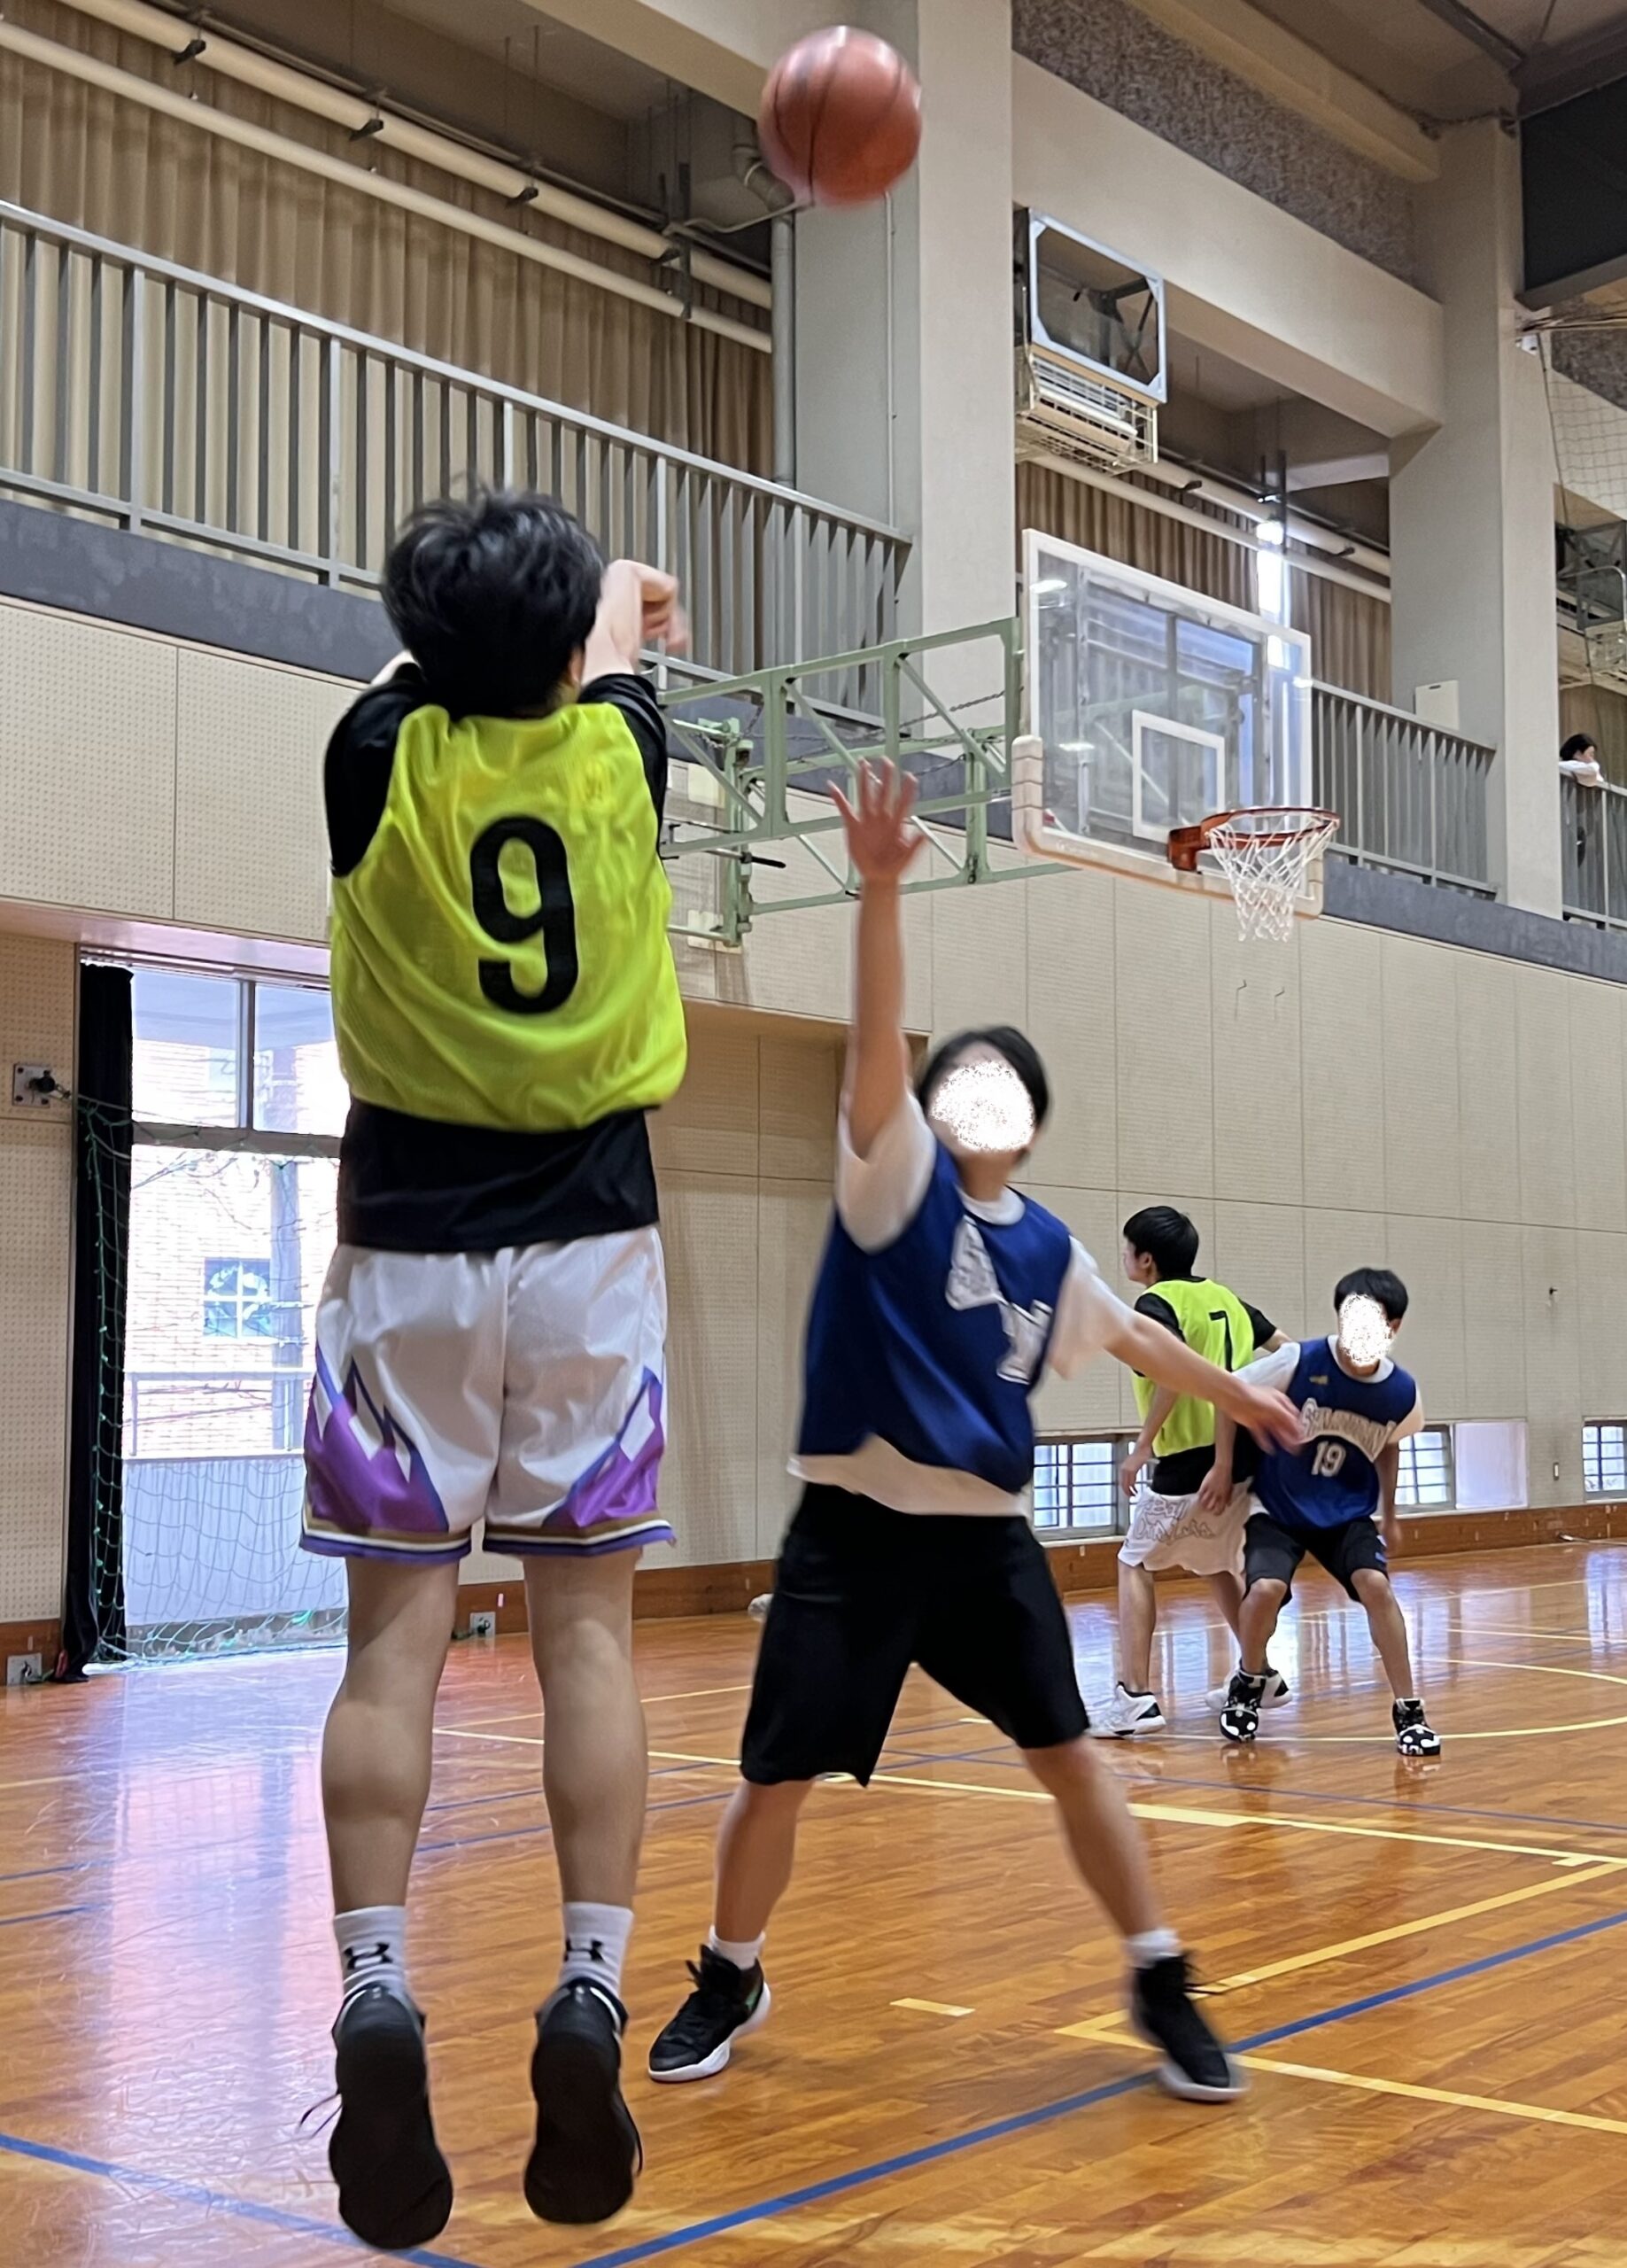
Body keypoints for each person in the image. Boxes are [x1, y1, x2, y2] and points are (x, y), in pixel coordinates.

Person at [645, 763, 1301, 2103]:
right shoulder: (889, 1178)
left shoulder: (1050, 1247)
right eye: (963, 1082)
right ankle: (729, 1969)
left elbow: (1136, 1342)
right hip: (850, 1537)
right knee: (775, 1779)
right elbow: (873, 1045)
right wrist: (882, 890)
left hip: (985, 1547)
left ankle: (1158, 1974)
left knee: (1070, 1760)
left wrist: (1241, 1394)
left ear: (1031, 1126)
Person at [301, 490, 688, 2248]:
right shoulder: (622, 756)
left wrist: (551, 613)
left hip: (405, 1249)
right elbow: (599, 658)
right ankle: (591, 1986)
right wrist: (616, 599)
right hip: (591, 1248)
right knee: (585, 1641)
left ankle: (377, 1984)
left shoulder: (370, 757)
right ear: (566, 656)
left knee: (391, 1652)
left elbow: (454, 662)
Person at [1215, 1268, 1440, 1757]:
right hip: (1277, 1505)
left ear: (1393, 1327)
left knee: (1377, 1586)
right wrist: (1223, 1467)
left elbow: (1389, 1445)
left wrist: (1390, 1513)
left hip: (1346, 1513)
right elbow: (1229, 1396)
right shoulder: (1298, 1361)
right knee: (1265, 1590)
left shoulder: (1402, 1392)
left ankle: (1409, 1711)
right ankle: (1248, 1681)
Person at [1089, 1207, 1290, 1737]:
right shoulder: (1226, 1298)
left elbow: (1171, 1376)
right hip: (1239, 1457)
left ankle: (1134, 1697)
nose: (1124, 1256)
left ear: (1145, 1259)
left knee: (1134, 1562)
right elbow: (1287, 1351)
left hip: (1190, 1460)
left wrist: (1141, 1448)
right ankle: (1261, 1675)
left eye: (1127, 1248)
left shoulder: (1156, 1305)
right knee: (1215, 1562)